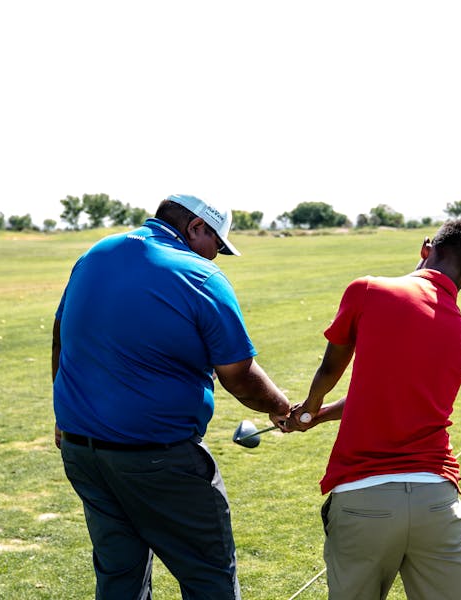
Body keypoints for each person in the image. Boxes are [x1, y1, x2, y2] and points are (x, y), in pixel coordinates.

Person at [52, 194, 292, 599]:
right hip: (158, 458)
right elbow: (239, 376)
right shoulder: (200, 275)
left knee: (119, 577)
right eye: (217, 244)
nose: (215, 256)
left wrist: (62, 415)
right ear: (196, 227)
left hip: (83, 453)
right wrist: (280, 406)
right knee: (208, 576)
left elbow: (61, 336)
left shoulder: (96, 254)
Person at [285, 219, 461, 600]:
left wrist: (309, 409)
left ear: (426, 248)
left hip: (362, 495)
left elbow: (331, 368)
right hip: (437, 502)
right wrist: (321, 415)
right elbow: (390, 397)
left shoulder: (367, 290)